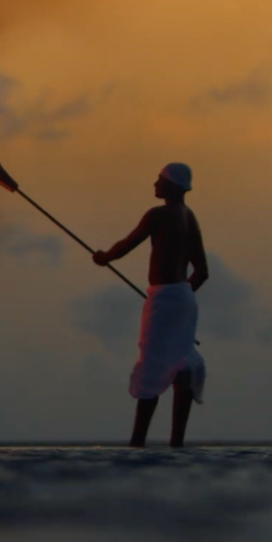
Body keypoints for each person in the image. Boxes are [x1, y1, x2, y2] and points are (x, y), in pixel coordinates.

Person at [92, 163, 208, 447]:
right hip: (183, 298)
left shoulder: (157, 215)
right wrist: (178, 304)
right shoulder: (189, 217)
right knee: (181, 364)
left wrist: (104, 257)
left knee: (152, 365)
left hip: (165, 299)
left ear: (170, 185)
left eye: (159, 180)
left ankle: (137, 444)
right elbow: (202, 272)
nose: (154, 184)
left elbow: (127, 244)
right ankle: (176, 444)